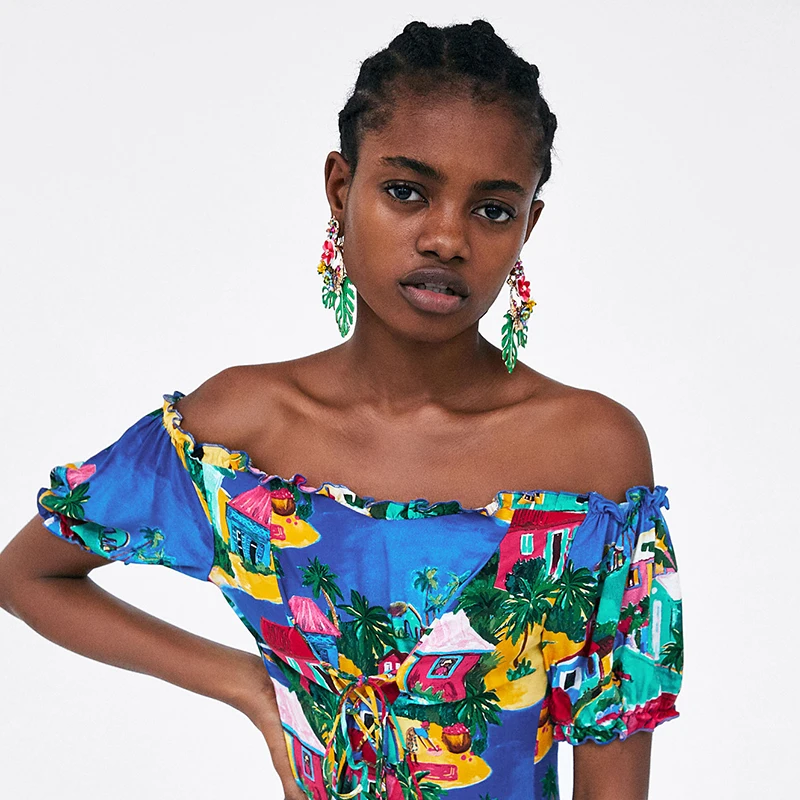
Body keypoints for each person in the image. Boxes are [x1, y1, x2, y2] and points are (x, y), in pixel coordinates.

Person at [0, 18, 684, 800]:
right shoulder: (244, 430)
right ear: (339, 188)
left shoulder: (591, 453)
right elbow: (28, 576)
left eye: (492, 210)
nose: (446, 238)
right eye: (407, 192)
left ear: (528, 225)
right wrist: (250, 687)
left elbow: (615, 752)